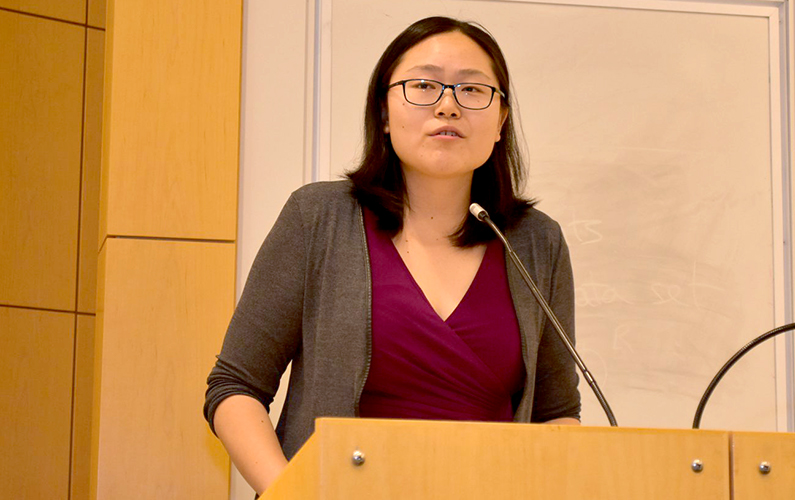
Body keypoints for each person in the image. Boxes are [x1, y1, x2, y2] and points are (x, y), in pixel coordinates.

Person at [204, 16, 581, 495]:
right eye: (423, 85)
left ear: (501, 120)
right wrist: (290, 493)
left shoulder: (535, 242)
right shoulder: (318, 218)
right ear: (383, 112)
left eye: (472, 90)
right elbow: (235, 387)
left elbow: (555, 413)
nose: (448, 105)